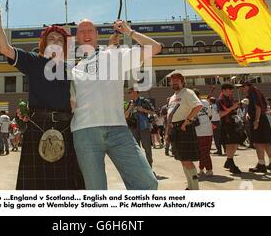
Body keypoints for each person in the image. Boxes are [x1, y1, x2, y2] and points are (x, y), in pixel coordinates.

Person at [0, 2, 84, 190]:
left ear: (64, 46)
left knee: (68, 186)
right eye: (51, 38)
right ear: (44, 43)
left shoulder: (73, 69)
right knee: (35, 187)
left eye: (60, 39)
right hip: (38, 128)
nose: (55, 41)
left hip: (67, 128)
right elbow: (5, 48)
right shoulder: (34, 61)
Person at [71, 19, 160, 190]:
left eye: (90, 30)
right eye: (81, 31)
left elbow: (155, 47)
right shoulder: (74, 70)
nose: (86, 34)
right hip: (84, 132)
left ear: (97, 35)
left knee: (147, 183)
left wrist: (129, 31)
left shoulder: (115, 55)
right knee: (96, 192)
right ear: (77, 37)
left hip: (118, 130)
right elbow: (72, 103)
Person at [165, 74, 203, 190]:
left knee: (187, 159)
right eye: (172, 81)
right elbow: (169, 116)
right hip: (174, 129)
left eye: (177, 80)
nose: (174, 82)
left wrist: (187, 121)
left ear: (182, 82)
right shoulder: (172, 97)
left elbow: (198, 106)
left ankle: (195, 188)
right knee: (182, 159)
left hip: (184, 128)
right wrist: (167, 132)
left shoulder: (187, 92)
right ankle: (190, 185)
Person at [240, 82, 271, 172]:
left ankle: (261, 165)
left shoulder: (253, 92)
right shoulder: (255, 92)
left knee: (258, 143)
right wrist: (248, 114)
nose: (242, 89)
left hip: (258, 119)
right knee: (266, 143)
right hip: (261, 119)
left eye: (243, 87)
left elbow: (258, 107)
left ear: (247, 86)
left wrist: (256, 120)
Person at [125, 88, 156, 166]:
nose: (129, 94)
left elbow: (153, 112)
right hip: (133, 128)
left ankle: (149, 165)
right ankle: (139, 166)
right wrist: (130, 108)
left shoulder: (144, 101)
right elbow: (125, 115)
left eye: (130, 92)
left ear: (135, 92)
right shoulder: (130, 103)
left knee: (147, 148)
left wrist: (143, 110)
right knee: (136, 149)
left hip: (144, 127)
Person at [217, 84, 242, 174]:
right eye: (229, 90)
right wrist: (232, 108)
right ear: (223, 90)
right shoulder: (220, 100)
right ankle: (231, 163)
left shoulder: (230, 98)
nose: (231, 92)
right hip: (226, 124)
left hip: (233, 123)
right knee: (229, 144)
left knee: (235, 143)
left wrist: (236, 107)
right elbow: (221, 114)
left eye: (232, 90)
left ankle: (228, 160)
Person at [193, 89, 213, 176]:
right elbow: (210, 115)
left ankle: (209, 169)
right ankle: (201, 169)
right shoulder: (205, 102)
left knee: (204, 152)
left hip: (200, 131)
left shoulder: (192, 104)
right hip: (208, 129)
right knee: (204, 151)